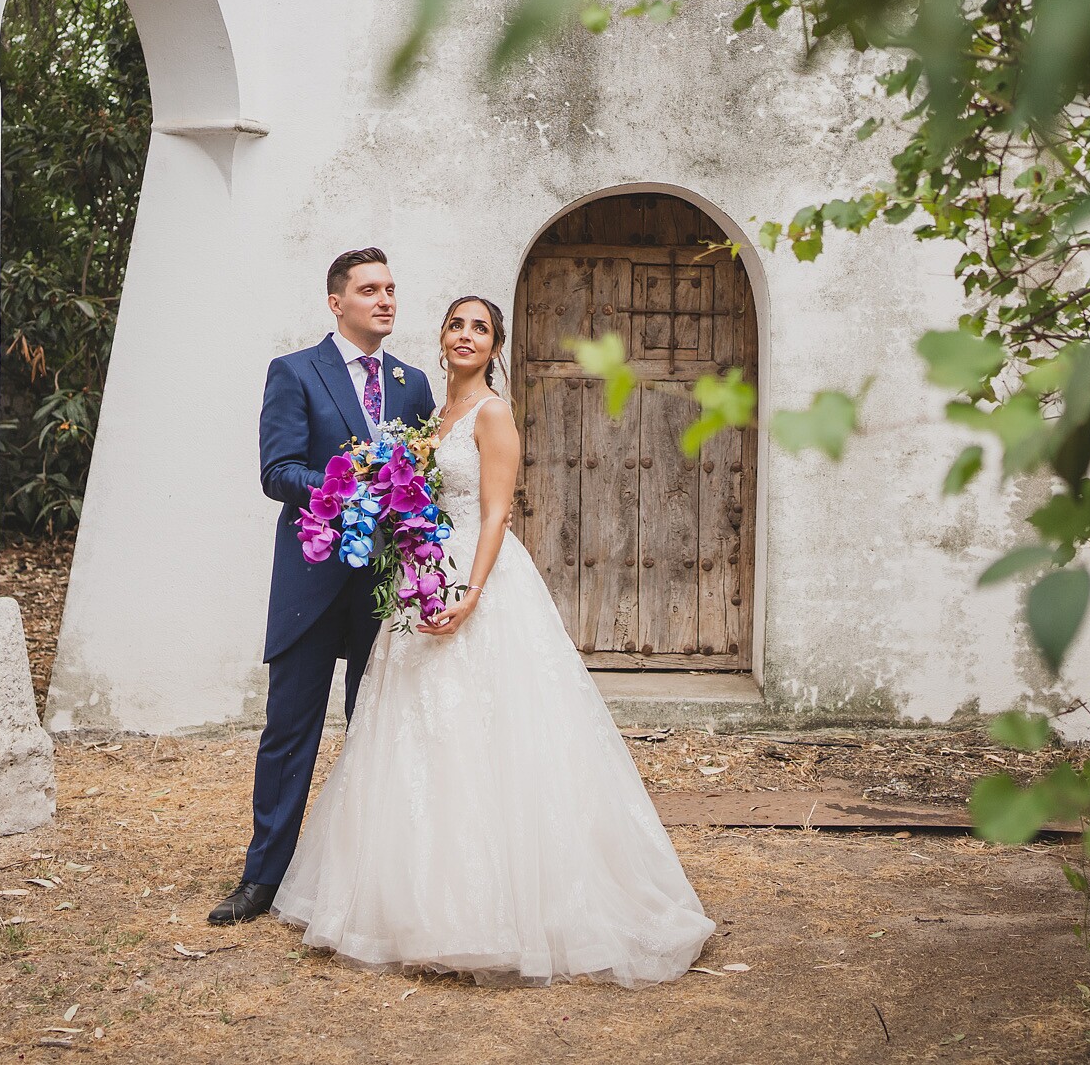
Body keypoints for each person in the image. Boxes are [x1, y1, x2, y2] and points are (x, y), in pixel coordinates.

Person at [269, 295, 716, 985]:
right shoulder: (427, 417)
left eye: (481, 327)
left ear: (496, 345)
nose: (466, 335)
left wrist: (471, 594)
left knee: (490, 735)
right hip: (421, 574)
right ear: (442, 338)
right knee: (420, 739)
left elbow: (498, 510)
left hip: (477, 578)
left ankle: (498, 911)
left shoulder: (493, 413)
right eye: (457, 324)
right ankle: (412, 904)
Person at [210, 249, 438, 926]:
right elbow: (277, 471)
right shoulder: (294, 372)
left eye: (392, 288)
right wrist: (349, 481)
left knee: (376, 731)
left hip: (381, 588)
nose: (386, 299)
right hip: (311, 582)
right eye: (370, 289)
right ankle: (262, 878)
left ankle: (371, 879)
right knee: (289, 734)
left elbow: (425, 480)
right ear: (336, 302)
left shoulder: (413, 382)